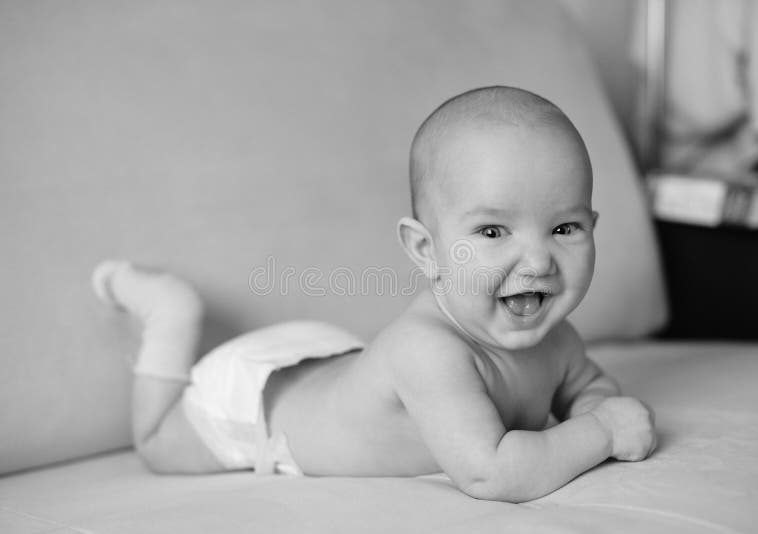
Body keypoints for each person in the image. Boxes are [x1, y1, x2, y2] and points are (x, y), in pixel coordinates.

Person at [92, 86, 656, 503]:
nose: (537, 261)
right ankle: (169, 312)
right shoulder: (429, 351)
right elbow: (493, 472)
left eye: (565, 228)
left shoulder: (558, 339)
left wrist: (596, 411)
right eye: (492, 231)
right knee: (156, 442)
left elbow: (592, 390)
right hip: (256, 408)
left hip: (332, 360)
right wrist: (604, 431)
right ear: (425, 250)